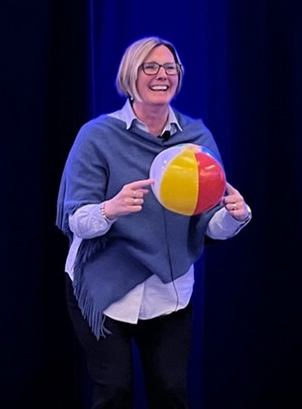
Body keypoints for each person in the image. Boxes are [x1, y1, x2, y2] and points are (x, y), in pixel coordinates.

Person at [55, 36, 252, 408]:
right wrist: (111, 208)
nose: (162, 75)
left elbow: (207, 224)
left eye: (170, 68)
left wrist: (234, 216)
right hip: (102, 287)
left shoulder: (196, 139)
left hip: (169, 291)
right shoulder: (96, 137)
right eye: (150, 67)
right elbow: (75, 219)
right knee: (114, 392)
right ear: (131, 74)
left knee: (171, 393)